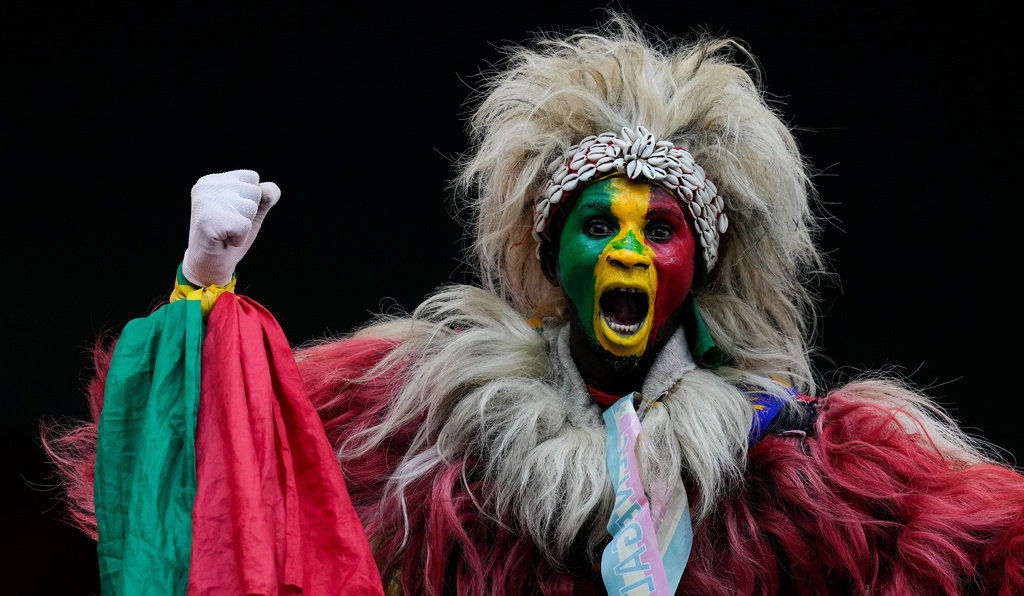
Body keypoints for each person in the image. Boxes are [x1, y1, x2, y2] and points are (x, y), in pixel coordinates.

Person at [49, 19, 1023, 595]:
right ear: (552, 251)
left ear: (703, 263)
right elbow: (210, 493)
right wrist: (201, 290)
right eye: (600, 225)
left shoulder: (811, 467)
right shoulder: (421, 424)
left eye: (661, 230)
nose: (630, 250)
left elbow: (986, 550)